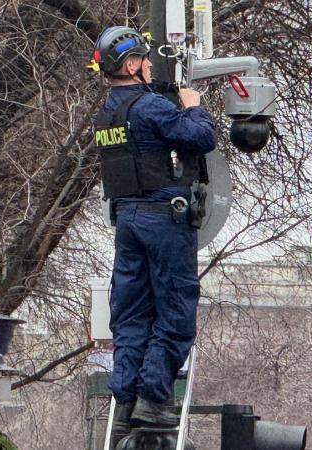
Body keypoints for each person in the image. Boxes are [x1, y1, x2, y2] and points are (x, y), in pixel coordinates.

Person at [92, 26, 216, 447]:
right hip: (163, 219)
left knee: (130, 316)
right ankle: (153, 399)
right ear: (131, 65)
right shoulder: (148, 108)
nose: (148, 65)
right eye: (144, 59)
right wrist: (193, 106)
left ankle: (126, 404)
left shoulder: (108, 111)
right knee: (175, 312)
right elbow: (201, 137)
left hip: (127, 222)